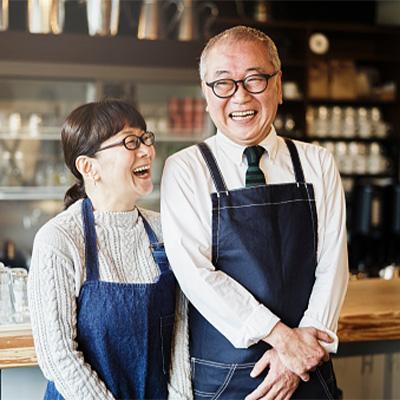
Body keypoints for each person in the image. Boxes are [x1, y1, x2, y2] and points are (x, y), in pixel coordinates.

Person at [161, 26, 349, 400]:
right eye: (223, 83)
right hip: (228, 379)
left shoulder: (317, 163)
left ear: (277, 85)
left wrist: (300, 353)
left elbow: (333, 265)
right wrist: (282, 338)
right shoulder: (186, 169)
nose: (240, 96)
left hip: (310, 371)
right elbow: (196, 275)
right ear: (205, 93)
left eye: (255, 79)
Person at [28, 99, 192, 400]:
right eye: (130, 142)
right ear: (89, 167)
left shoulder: (165, 231)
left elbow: (180, 330)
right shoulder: (59, 240)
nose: (146, 150)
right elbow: (59, 356)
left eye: (145, 138)